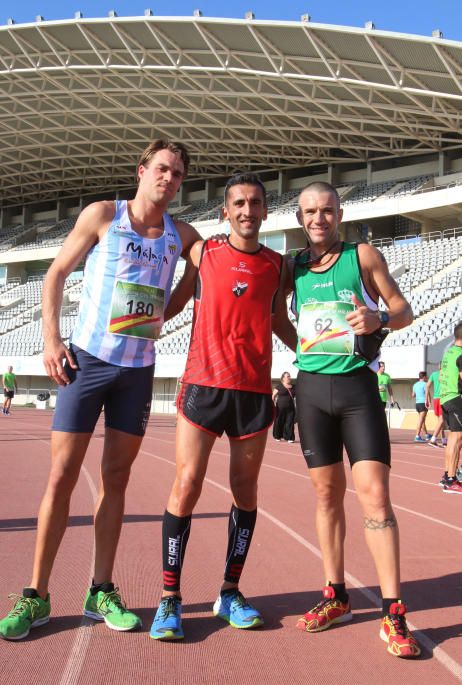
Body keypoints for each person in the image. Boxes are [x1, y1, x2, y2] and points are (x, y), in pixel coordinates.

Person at [0, 139, 201, 641]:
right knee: (62, 476)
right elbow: (56, 274)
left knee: (116, 480)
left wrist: (168, 309)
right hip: (87, 362)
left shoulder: (182, 234)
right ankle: (35, 595)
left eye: (177, 174)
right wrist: (50, 339)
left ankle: (101, 590)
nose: (168, 180)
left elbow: (209, 266)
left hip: (137, 371)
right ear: (142, 170)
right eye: (162, 169)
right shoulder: (102, 215)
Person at [149, 172, 296, 641]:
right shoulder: (204, 250)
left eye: (255, 203)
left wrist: (318, 355)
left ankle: (229, 591)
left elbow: (279, 321)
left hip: (253, 392)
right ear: (224, 211)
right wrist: (146, 319)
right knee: (186, 484)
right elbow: (153, 220)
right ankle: (169, 599)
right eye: (238, 203)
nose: (247, 210)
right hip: (203, 386)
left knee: (245, 491)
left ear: (266, 211)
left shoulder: (278, 266)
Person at [290, 181, 421, 658]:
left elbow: (404, 308)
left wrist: (379, 320)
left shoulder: (362, 256)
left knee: (376, 499)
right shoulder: (295, 267)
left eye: (326, 210)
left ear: (338, 213)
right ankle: (336, 595)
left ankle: (393, 612)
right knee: (326, 495)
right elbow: (272, 312)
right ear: (301, 218)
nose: (318, 219)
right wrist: (296, 345)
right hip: (310, 391)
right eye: (310, 212)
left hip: (356, 392)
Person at [438, 322, 462, 493]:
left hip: (446, 396)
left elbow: (440, 376)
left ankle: (448, 475)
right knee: (458, 437)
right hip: (456, 397)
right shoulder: (460, 354)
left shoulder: (449, 353)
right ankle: (452, 480)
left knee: (453, 437)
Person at [272, 371, 296, 442]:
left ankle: (289, 437)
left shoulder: (294, 387)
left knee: (290, 422)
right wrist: (272, 404)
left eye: (289, 376)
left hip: (290, 409)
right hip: (280, 408)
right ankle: (277, 436)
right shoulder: (279, 386)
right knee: (279, 422)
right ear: (283, 378)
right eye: (287, 376)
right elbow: (273, 396)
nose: (289, 377)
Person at [426, 364, 446, 448]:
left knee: (440, 421)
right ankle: (433, 439)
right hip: (442, 398)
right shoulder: (445, 374)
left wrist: (426, 399)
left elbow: (427, 386)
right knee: (442, 420)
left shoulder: (433, 374)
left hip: (435, 399)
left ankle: (444, 440)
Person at [412, 372, 431, 443]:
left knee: (422, 420)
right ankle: (417, 436)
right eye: (426, 377)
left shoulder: (415, 384)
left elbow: (413, 395)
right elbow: (427, 394)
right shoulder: (425, 384)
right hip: (423, 403)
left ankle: (426, 434)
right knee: (421, 420)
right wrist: (429, 402)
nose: (427, 378)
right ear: (424, 377)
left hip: (417, 404)